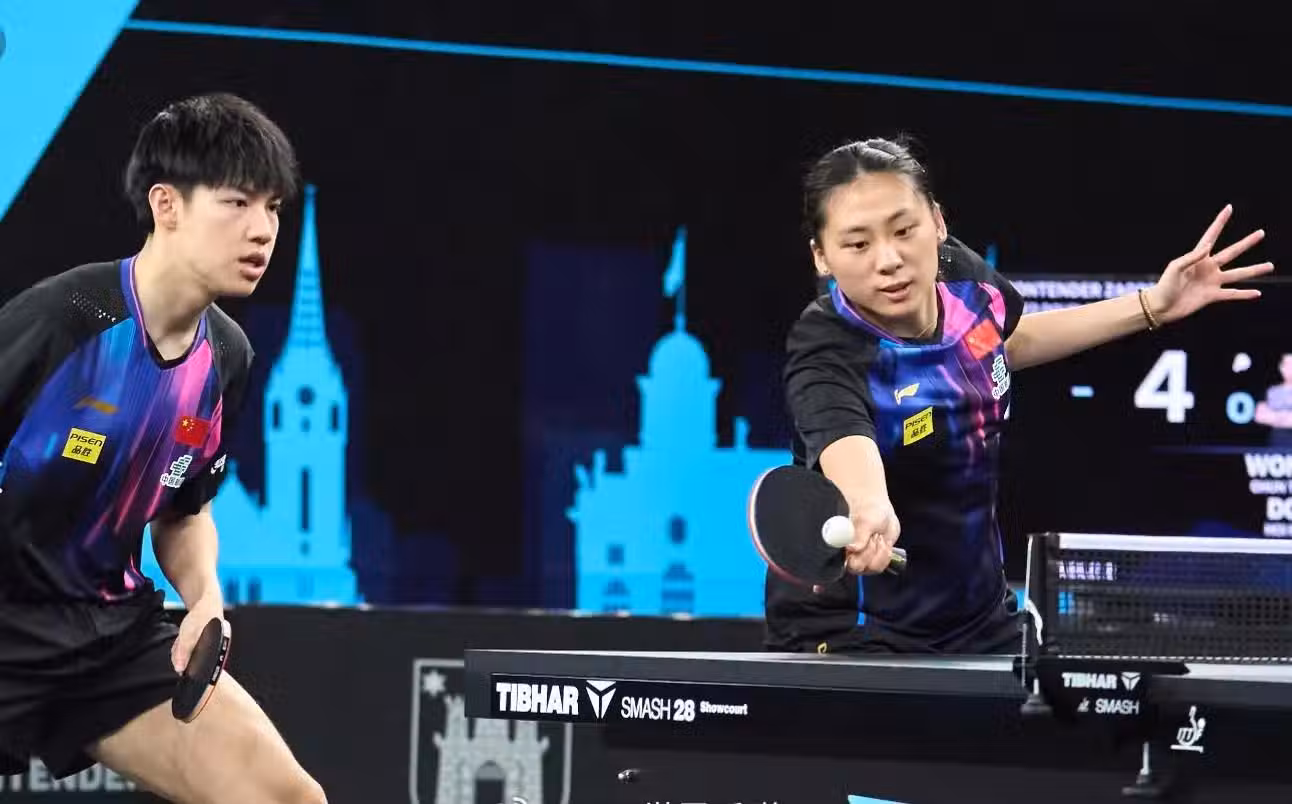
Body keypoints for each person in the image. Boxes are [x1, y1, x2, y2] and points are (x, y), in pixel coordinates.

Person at [766, 137, 1272, 655]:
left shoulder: (963, 280)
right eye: (858, 244)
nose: (890, 259)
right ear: (822, 256)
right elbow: (845, 440)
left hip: (980, 618)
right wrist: (869, 504)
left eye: (904, 230)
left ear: (937, 223)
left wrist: (1151, 306)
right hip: (859, 630)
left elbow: (1005, 342)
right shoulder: (827, 348)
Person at [0, 93, 326, 802]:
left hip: (107, 638)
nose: (263, 229)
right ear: (166, 205)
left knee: (287, 798)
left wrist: (204, 595)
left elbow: (183, 511)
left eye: (273, 207)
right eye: (237, 202)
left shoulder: (226, 358)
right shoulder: (65, 320)